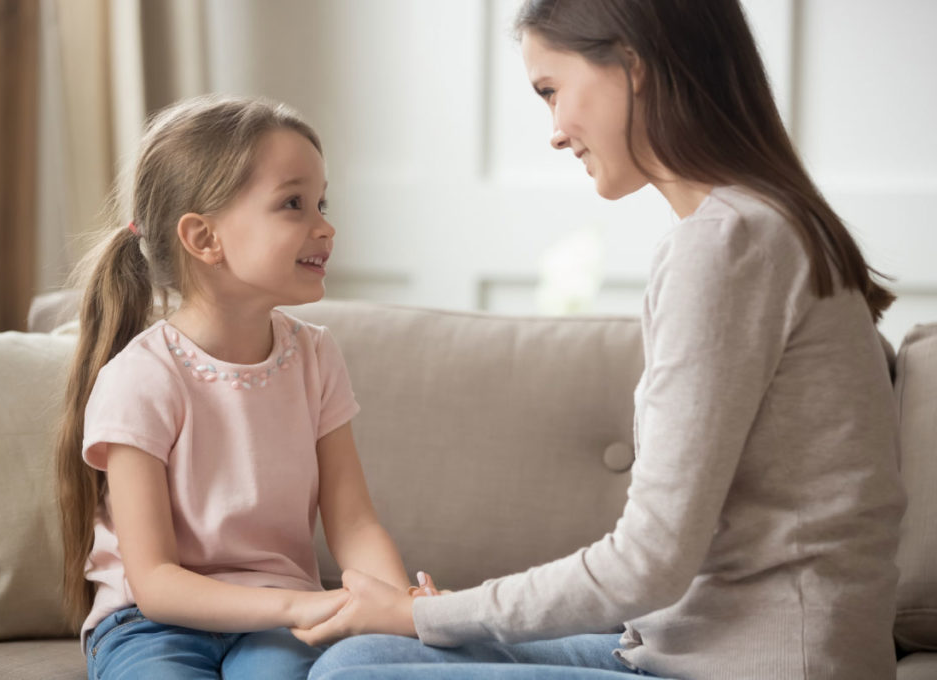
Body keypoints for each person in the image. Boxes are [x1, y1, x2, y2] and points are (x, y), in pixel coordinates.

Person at [296, 1, 907, 679]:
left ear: (633, 66)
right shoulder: (763, 226)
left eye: (551, 91)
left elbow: (648, 562)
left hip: (754, 666)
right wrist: (423, 620)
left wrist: (429, 614)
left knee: (355, 672)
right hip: (679, 647)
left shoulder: (727, 243)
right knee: (365, 654)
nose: (555, 133)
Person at [54, 95, 413, 680]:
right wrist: (301, 603)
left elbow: (353, 523)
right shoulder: (140, 378)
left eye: (321, 202)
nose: (325, 226)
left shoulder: (315, 356)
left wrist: (397, 605)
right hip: (150, 623)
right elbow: (155, 583)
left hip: (278, 619)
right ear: (203, 238)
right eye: (293, 204)